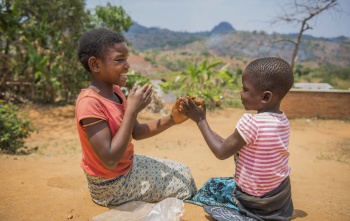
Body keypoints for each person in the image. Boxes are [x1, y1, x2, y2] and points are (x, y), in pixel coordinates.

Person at [75, 28, 197, 207]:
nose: (127, 65)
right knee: (184, 186)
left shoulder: (115, 92)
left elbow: (137, 132)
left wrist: (172, 119)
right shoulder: (89, 103)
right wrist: (132, 110)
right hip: (111, 185)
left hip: (127, 168)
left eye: (126, 58)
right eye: (119, 59)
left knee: (183, 171)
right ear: (95, 65)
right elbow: (109, 159)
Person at [180, 57, 294, 221]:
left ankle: (243, 213)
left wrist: (200, 121)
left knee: (211, 186)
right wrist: (204, 120)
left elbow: (221, 152)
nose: (241, 93)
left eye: (245, 89)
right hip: (278, 201)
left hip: (254, 200)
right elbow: (230, 144)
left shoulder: (251, 122)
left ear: (266, 97)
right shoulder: (282, 121)